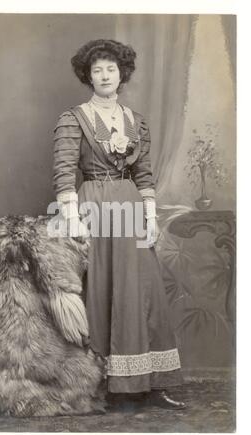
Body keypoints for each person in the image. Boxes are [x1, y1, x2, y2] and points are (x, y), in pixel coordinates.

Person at [52, 39, 186, 410]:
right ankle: (102, 384)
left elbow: (144, 175)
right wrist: (71, 216)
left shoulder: (135, 121)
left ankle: (150, 382)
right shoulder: (73, 118)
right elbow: (64, 172)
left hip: (129, 205)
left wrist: (151, 216)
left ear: (122, 74)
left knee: (143, 289)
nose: (105, 75)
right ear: (88, 76)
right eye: (97, 70)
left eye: (111, 68)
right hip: (94, 204)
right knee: (99, 287)